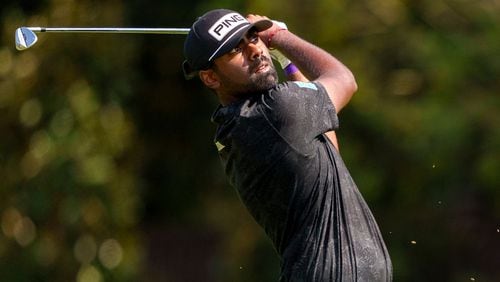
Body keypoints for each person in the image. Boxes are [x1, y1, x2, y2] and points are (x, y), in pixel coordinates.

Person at [183, 9, 392, 281]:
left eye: (254, 38)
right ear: (210, 77)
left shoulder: (246, 123)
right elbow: (344, 80)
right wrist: (280, 37)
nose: (255, 51)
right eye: (235, 49)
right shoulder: (274, 112)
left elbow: (327, 143)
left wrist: (285, 60)